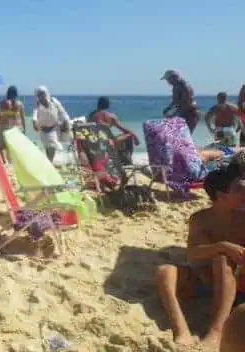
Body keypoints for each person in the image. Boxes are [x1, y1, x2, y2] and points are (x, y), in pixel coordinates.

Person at [154, 163, 245, 347]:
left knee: (222, 260)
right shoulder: (200, 219)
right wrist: (222, 245)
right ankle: (181, 329)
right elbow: (194, 254)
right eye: (239, 189)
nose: (244, 192)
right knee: (164, 271)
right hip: (205, 282)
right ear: (221, 196)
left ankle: (216, 331)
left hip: (235, 282)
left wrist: (224, 251)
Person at [88, 96, 140, 165]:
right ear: (107, 105)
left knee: (114, 138)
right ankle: (127, 160)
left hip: (94, 143)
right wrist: (134, 135)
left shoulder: (91, 116)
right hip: (108, 143)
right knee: (129, 135)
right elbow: (124, 130)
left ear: (98, 104)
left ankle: (122, 158)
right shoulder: (110, 116)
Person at [32, 86, 70, 163]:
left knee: (52, 146)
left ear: (46, 94)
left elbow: (63, 112)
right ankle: (49, 162)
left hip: (54, 129)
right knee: (47, 147)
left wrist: (66, 122)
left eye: (42, 94)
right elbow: (35, 115)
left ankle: (50, 162)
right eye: (39, 95)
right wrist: (34, 123)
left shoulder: (54, 101)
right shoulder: (38, 104)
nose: (41, 96)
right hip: (42, 129)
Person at [0, 86, 26, 163]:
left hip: (4, 127)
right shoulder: (19, 104)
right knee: (11, 147)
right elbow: (23, 118)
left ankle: (4, 161)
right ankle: (11, 161)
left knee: (1, 146)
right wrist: (24, 129)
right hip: (16, 128)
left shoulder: (1, 103)